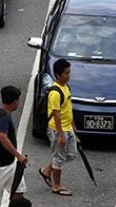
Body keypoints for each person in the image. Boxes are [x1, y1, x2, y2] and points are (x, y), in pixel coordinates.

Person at [39, 59, 78, 196]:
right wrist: (61, 134)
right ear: (58, 74)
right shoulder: (55, 93)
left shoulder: (66, 87)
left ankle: (47, 170)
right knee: (59, 158)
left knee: (71, 154)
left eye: (69, 72)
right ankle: (56, 185)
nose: (69, 75)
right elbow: (56, 114)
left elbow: (67, 108)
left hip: (68, 128)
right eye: (66, 73)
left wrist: (72, 124)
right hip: (57, 130)